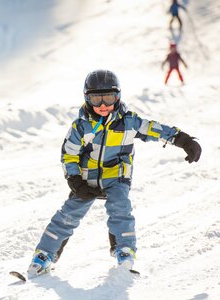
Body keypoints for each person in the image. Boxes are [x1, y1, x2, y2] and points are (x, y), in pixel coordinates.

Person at [27, 69, 201, 277]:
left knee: (120, 208)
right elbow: (69, 154)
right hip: (86, 179)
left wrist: (183, 139)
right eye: (96, 98)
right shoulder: (81, 126)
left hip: (116, 176)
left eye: (108, 98)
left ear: (117, 96)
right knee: (68, 214)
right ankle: (44, 255)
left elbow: (153, 129)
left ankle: (124, 250)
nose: (102, 105)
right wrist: (75, 181)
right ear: (86, 97)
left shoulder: (128, 121)